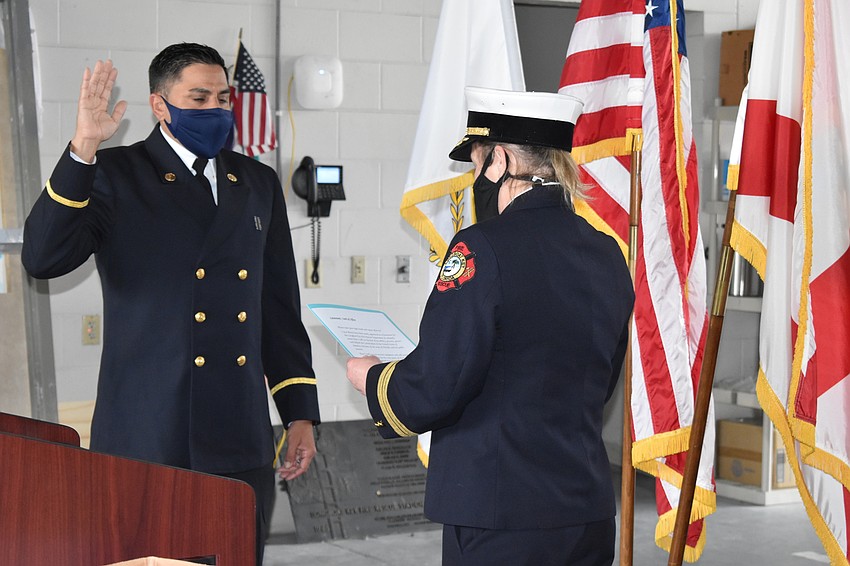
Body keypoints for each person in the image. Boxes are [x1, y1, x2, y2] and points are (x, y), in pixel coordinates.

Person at [22, 43, 320, 565]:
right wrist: (82, 148)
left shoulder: (256, 182)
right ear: (160, 105)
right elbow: (43, 257)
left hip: (238, 434)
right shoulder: (115, 173)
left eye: (222, 98)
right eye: (198, 98)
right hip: (149, 433)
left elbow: (277, 310)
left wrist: (299, 414)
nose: (215, 109)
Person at [346, 86, 635, 566]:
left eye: (478, 163)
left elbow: (439, 382)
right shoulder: (607, 251)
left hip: (502, 518)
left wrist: (373, 378)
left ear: (500, 160)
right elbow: (600, 382)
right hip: (586, 511)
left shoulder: (481, 247)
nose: (476, 179)